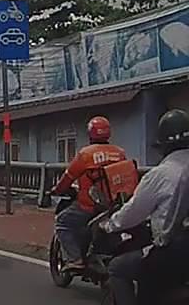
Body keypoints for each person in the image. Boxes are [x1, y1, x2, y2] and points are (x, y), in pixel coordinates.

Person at [100, 109, 189, 305]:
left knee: (117, 268)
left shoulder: (161, 174)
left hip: (173, 252)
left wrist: (110, 224)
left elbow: (133, 212)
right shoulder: (118, 154)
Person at [49, 115, 128, 270]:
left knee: (62, 223)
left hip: (89, 207)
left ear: (90, 133)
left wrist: (56, 190)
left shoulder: (85, 154)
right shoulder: (119, 153)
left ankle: (75, 259)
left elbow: (67, 178)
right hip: (114, 205)